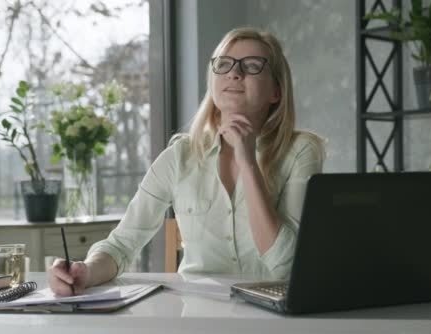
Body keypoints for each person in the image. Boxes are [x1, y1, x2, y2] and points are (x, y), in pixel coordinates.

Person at [48, 27, 325, 296]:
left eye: (252, 66)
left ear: (276, 91)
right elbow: (121, 244)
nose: (234, 73)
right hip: (197, 316)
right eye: (224, 64)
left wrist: (247, 160)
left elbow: (286, 266)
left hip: (276, 321)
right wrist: (85, 270)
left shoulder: (301, 151)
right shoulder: (179, 156)